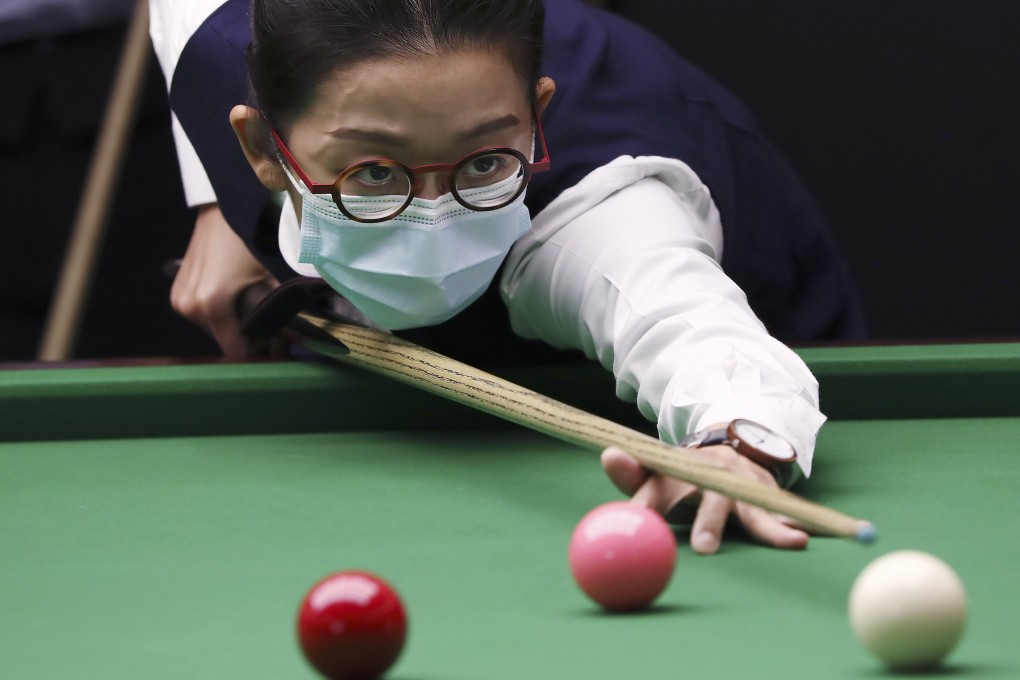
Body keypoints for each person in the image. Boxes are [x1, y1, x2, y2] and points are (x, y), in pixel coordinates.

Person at [149, 0, 865, 554]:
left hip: (758, 277)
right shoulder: (214, 51)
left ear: (535, 119)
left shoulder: (598, 213)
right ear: (259, 146)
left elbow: (690, 323)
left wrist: (737, 443)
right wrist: (218, 200)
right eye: (371, 172)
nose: (433, 220)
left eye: (485, 161)